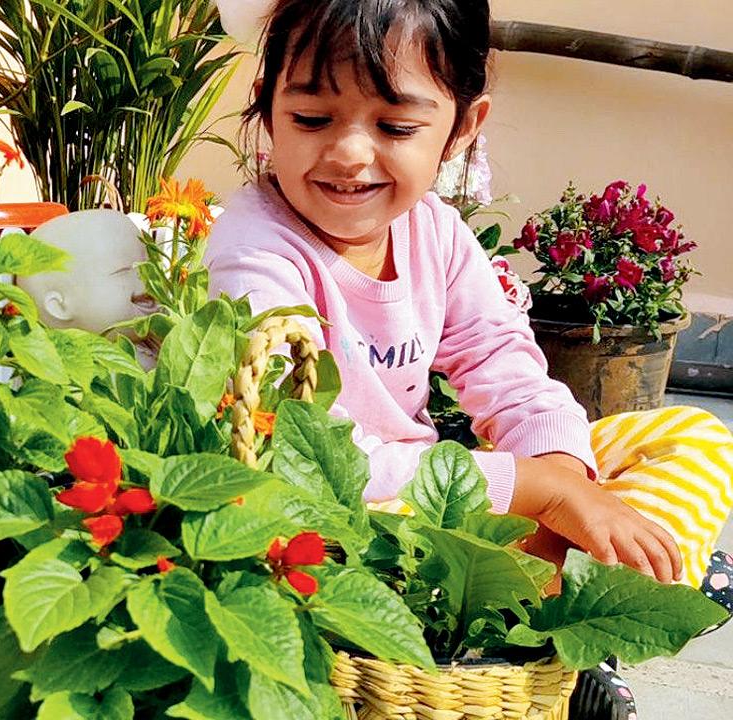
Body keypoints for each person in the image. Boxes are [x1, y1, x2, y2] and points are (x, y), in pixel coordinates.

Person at [206, 0, 733, 590]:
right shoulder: (254, 253)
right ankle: (547, 601)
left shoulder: (436, 232)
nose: (350, 154)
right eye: (310, 119)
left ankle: (547, 576)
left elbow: (506, 368)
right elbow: (296, 452)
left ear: (463, 126)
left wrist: (562, 477)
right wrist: (537, 491)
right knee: (331, 523)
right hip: (354, 509)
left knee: (692, 438)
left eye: (396, 127)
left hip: (444, 489)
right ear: (268, 107)